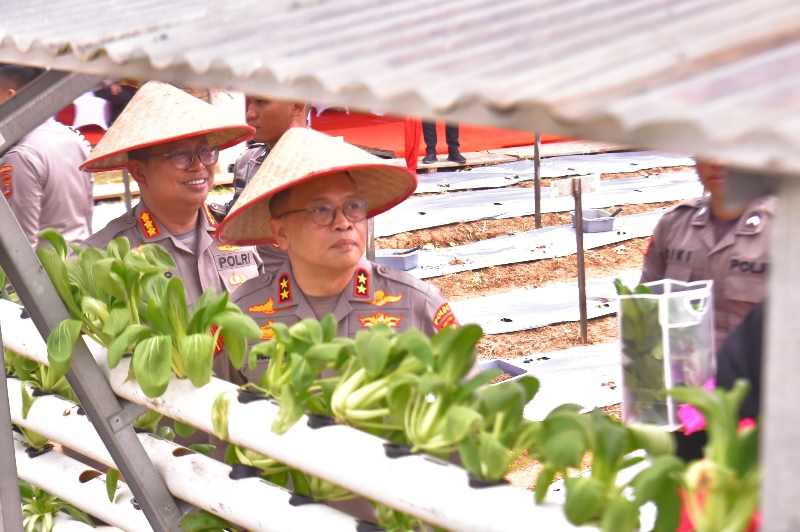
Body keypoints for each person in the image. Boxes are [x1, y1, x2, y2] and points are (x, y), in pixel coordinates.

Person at [218, 127, 459, 344]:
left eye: (353, 206)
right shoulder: (244, 314)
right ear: (281, 232)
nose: (343, 223)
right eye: (321, 210)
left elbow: (464, 389)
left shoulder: (415, 304)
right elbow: (209, 391)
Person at [83, 81, 261, 306]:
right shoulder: (106, 255)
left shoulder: (240, 233)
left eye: (206, 152)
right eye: (180, 155)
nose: (198, 166)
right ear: (139, 171)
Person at [640, 160, 773, 349]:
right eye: (707, 151)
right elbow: (645, 307)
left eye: (728, 152)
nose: (717, 163)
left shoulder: (786, 231)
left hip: (757, 375)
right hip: (683, 371)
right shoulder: (674, 224)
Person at [0, 64, 93, 247]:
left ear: (11, 98)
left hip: (47, 268)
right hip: (81, 257)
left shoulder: (21, 155)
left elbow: (22, 242)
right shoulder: (72, 136)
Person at [221, 96, 308, 217]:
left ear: (296, 106)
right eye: (249, 102)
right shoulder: (247, 162)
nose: (249, 114)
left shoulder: (327, 165)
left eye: (261, 101)